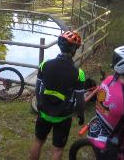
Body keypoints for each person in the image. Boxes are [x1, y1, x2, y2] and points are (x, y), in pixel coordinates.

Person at [30, 30, 85, 160]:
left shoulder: (45, 65)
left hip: (44, 112)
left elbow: (38, 88)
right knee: (57, 149)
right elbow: (80, 100)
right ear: (73, 50)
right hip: (63, 117)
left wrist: (39, 103)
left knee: (38, 142)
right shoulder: (79, 73)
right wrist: (81, 114)